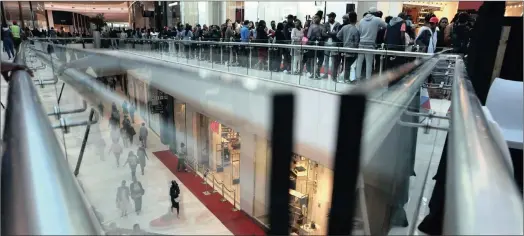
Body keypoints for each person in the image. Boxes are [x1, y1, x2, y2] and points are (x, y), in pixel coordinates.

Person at [356, 7, 387, 80]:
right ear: (375, 13)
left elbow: (359, 32)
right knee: (369, 63)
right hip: (370, 44)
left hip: (361, 43)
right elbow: (386, 26)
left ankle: (357, 78)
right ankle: (368, 79)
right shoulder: (377, 19)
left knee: (359, 62)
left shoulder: (361, 20)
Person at [337, 12, 360, 83]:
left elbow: (338, 36)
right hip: (352, 50)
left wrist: (344, 40)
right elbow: (356, 42)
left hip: (345, 48)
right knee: (349, 65)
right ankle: (347, 78)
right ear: (356, 19)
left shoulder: (344, 27)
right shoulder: (356, 30)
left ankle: (346, 78)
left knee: (346, 64)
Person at [306, 11, 328, 79]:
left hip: (320, 45)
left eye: (316, 17)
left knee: (321, 59)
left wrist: (323, 36)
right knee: (313, 59)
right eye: (314, 17)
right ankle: (313, 72)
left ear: (320, 18)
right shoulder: (312, 26)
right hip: (313, 44)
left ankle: (317, 71)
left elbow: (324, 35)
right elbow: (308, 36)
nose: (315, 19)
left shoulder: (322, 26)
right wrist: (316, 37)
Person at [323, 12, 342, 80]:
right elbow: (323, 33)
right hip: (326, 43)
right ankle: (325, 74)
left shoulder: (338, 24)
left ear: (333, 17)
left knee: (333, 60)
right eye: (328, 17)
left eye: (330, 17)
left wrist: (329, 33)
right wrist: (331, 34)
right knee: (326, 60)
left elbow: (337, 33)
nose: (328, 18)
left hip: (334, 44)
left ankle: (332, 75)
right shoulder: (326, 24)